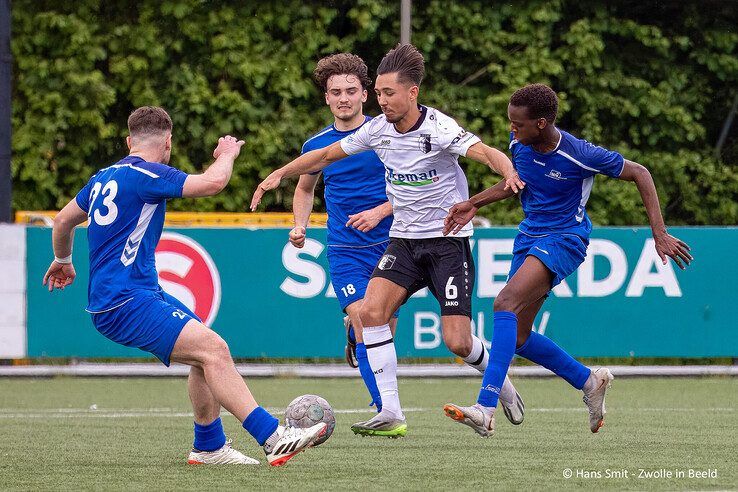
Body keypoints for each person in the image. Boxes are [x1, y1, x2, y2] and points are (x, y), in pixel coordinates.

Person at [251, 44, 527, 438]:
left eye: (387, 94)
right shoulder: (376, 130)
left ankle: (500, 383)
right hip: (401, 243)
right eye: (378, 94)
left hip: (445, 243)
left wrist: (509, 170)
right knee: (368, 314)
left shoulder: (439, 128)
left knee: (457, 341)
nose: (381, 101)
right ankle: (390, 411)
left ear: (412, 93)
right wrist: (278, 174)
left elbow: (485, 153)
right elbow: (325, 155)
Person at [43, 106, 326, 466]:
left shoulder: (103, 177)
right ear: (168, 142)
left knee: (204, 354)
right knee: (214, 350)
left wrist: (63, 261)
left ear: (130, 140)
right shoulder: (147, 174)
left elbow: (64, 221)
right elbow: (213, 183)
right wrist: (227, 154)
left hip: (127, 296)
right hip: (125, 301)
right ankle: (274, 438)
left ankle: (208, 447)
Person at [442, 83, 693, 437]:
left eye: (519, 124)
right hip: (528, 236)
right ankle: (588, 381)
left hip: (564, 239)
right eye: (511, 123)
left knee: (505, 302)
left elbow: (640, 173)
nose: (511, 131)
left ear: (542, 123)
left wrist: (660, 233)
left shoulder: (579, 153)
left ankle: (485, 407)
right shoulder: (521, 143)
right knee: (519, 335)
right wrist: (474, 203)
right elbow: (517, 183)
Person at [290, 53, 394, 411]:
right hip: (345, 248)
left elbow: (416, 186)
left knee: (383, 329)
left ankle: (353, 334)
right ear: (327, 98)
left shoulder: (387, 134)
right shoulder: (316, 145)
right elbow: (305, 189)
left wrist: (381, 211)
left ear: (365, 94)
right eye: (336, 92)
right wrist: (299, 225)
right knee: (366, 319)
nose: (344, 98)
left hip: (393, 245)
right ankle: (384, 408)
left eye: (351, 90)